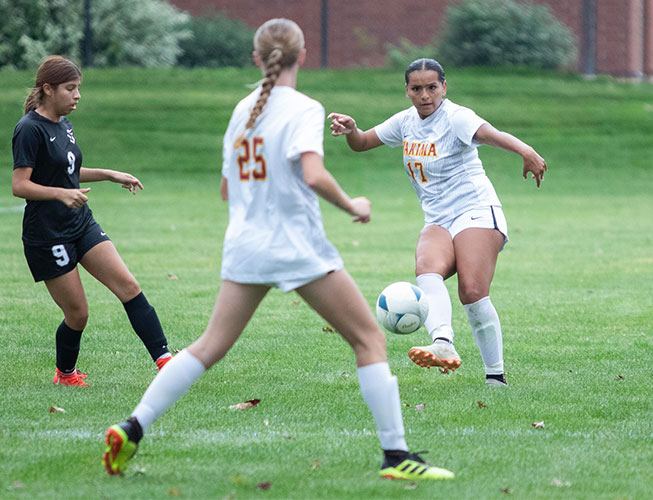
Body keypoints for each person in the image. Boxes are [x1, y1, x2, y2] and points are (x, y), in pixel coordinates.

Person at [102, 20, 453, 481]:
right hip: (296, 246)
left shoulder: (242, 110)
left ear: (257, 58)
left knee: (207, 347)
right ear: (302, 56)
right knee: (369, 339)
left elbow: (228, 187)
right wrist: (352, 204)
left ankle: (133, 427)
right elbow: (312, 174)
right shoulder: (304, 107)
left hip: (246, 245)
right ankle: (396, 457)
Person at [328, 58, 547, 387]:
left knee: (471, 292)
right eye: (417, 88)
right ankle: (443, 343)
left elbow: (491, 135)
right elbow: (361, 143)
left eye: (432, 87)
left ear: (444, 87)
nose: (425, 94)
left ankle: (496, 377)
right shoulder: (405, 123)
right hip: (439, 218)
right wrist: (352, 130)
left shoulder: (456, 117)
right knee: (426, 265)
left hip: (475, 209)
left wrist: (525, 151)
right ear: (407, 91)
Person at [11, 55, 172, 387]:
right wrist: (60, 194)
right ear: (48, 89)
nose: (77, 95)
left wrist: (109, 174)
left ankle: (166, 363)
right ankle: (65, 374)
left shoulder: (64, 124)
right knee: (78, 315)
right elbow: (20, 185)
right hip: (48, 234)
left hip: (79, 222)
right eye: (70, 88)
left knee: (128, 286)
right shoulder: (29, 129)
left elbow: (66, 171)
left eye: (78, 88)